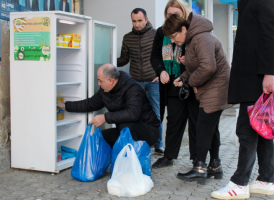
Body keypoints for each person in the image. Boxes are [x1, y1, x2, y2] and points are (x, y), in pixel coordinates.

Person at [211, 0, 274, 199]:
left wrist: (269, 72)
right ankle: (266, 180)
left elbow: (272, 34)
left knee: (246, 129)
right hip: (253, 74)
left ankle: (239, 183)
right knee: (262, 128)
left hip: (257, 76)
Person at [163, 13, 231, 184]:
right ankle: (215, 166)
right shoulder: (193, 39)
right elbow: (197, 65)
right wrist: (185, 77)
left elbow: (208, 67)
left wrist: (190, 81)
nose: (173, 41)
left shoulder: (201, 38)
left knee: (202, 127)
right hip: (211, 88)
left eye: (174, 36)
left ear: (184, 29)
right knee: (211, 127)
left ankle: (199, 167)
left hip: (216, 88)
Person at [57, 64, 160, 148]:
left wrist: (105, 117)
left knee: (126, 127)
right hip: (125, 130)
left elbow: (132, 113)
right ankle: (106, 164)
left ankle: (130, 165)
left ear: (111, 81)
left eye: (100, 80)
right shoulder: (105, 91)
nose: (99, 83)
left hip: (148, 131)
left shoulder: (133, 89)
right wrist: (65, 106)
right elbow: (89, 104)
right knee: (100, 137)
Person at [151, 0, 200, 170]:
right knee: (173, 122)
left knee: (195, 123)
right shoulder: (160, 32)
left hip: (192, 84)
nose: (172, 17)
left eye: (176, 15)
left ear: (184, 14)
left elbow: (200, 56)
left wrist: (189, 61)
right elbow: (155, 56)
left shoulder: (192, 31)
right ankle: (169, 156)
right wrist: (160, 71)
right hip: (171, 86)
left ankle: (197, 159)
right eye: (169, 14)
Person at [117, 8, 164, 154]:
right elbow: (123, 59)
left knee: (155, 113)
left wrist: (162, 71)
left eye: (140, 21)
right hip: (136, 82)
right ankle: (142, 142)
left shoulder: (157, 34)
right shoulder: (127, 38)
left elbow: (165, 55)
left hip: (154, 81)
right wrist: (106, 58)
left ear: (146, 20)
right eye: (134, 21)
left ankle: (158, 144)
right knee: (136, 113)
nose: (137, 24)